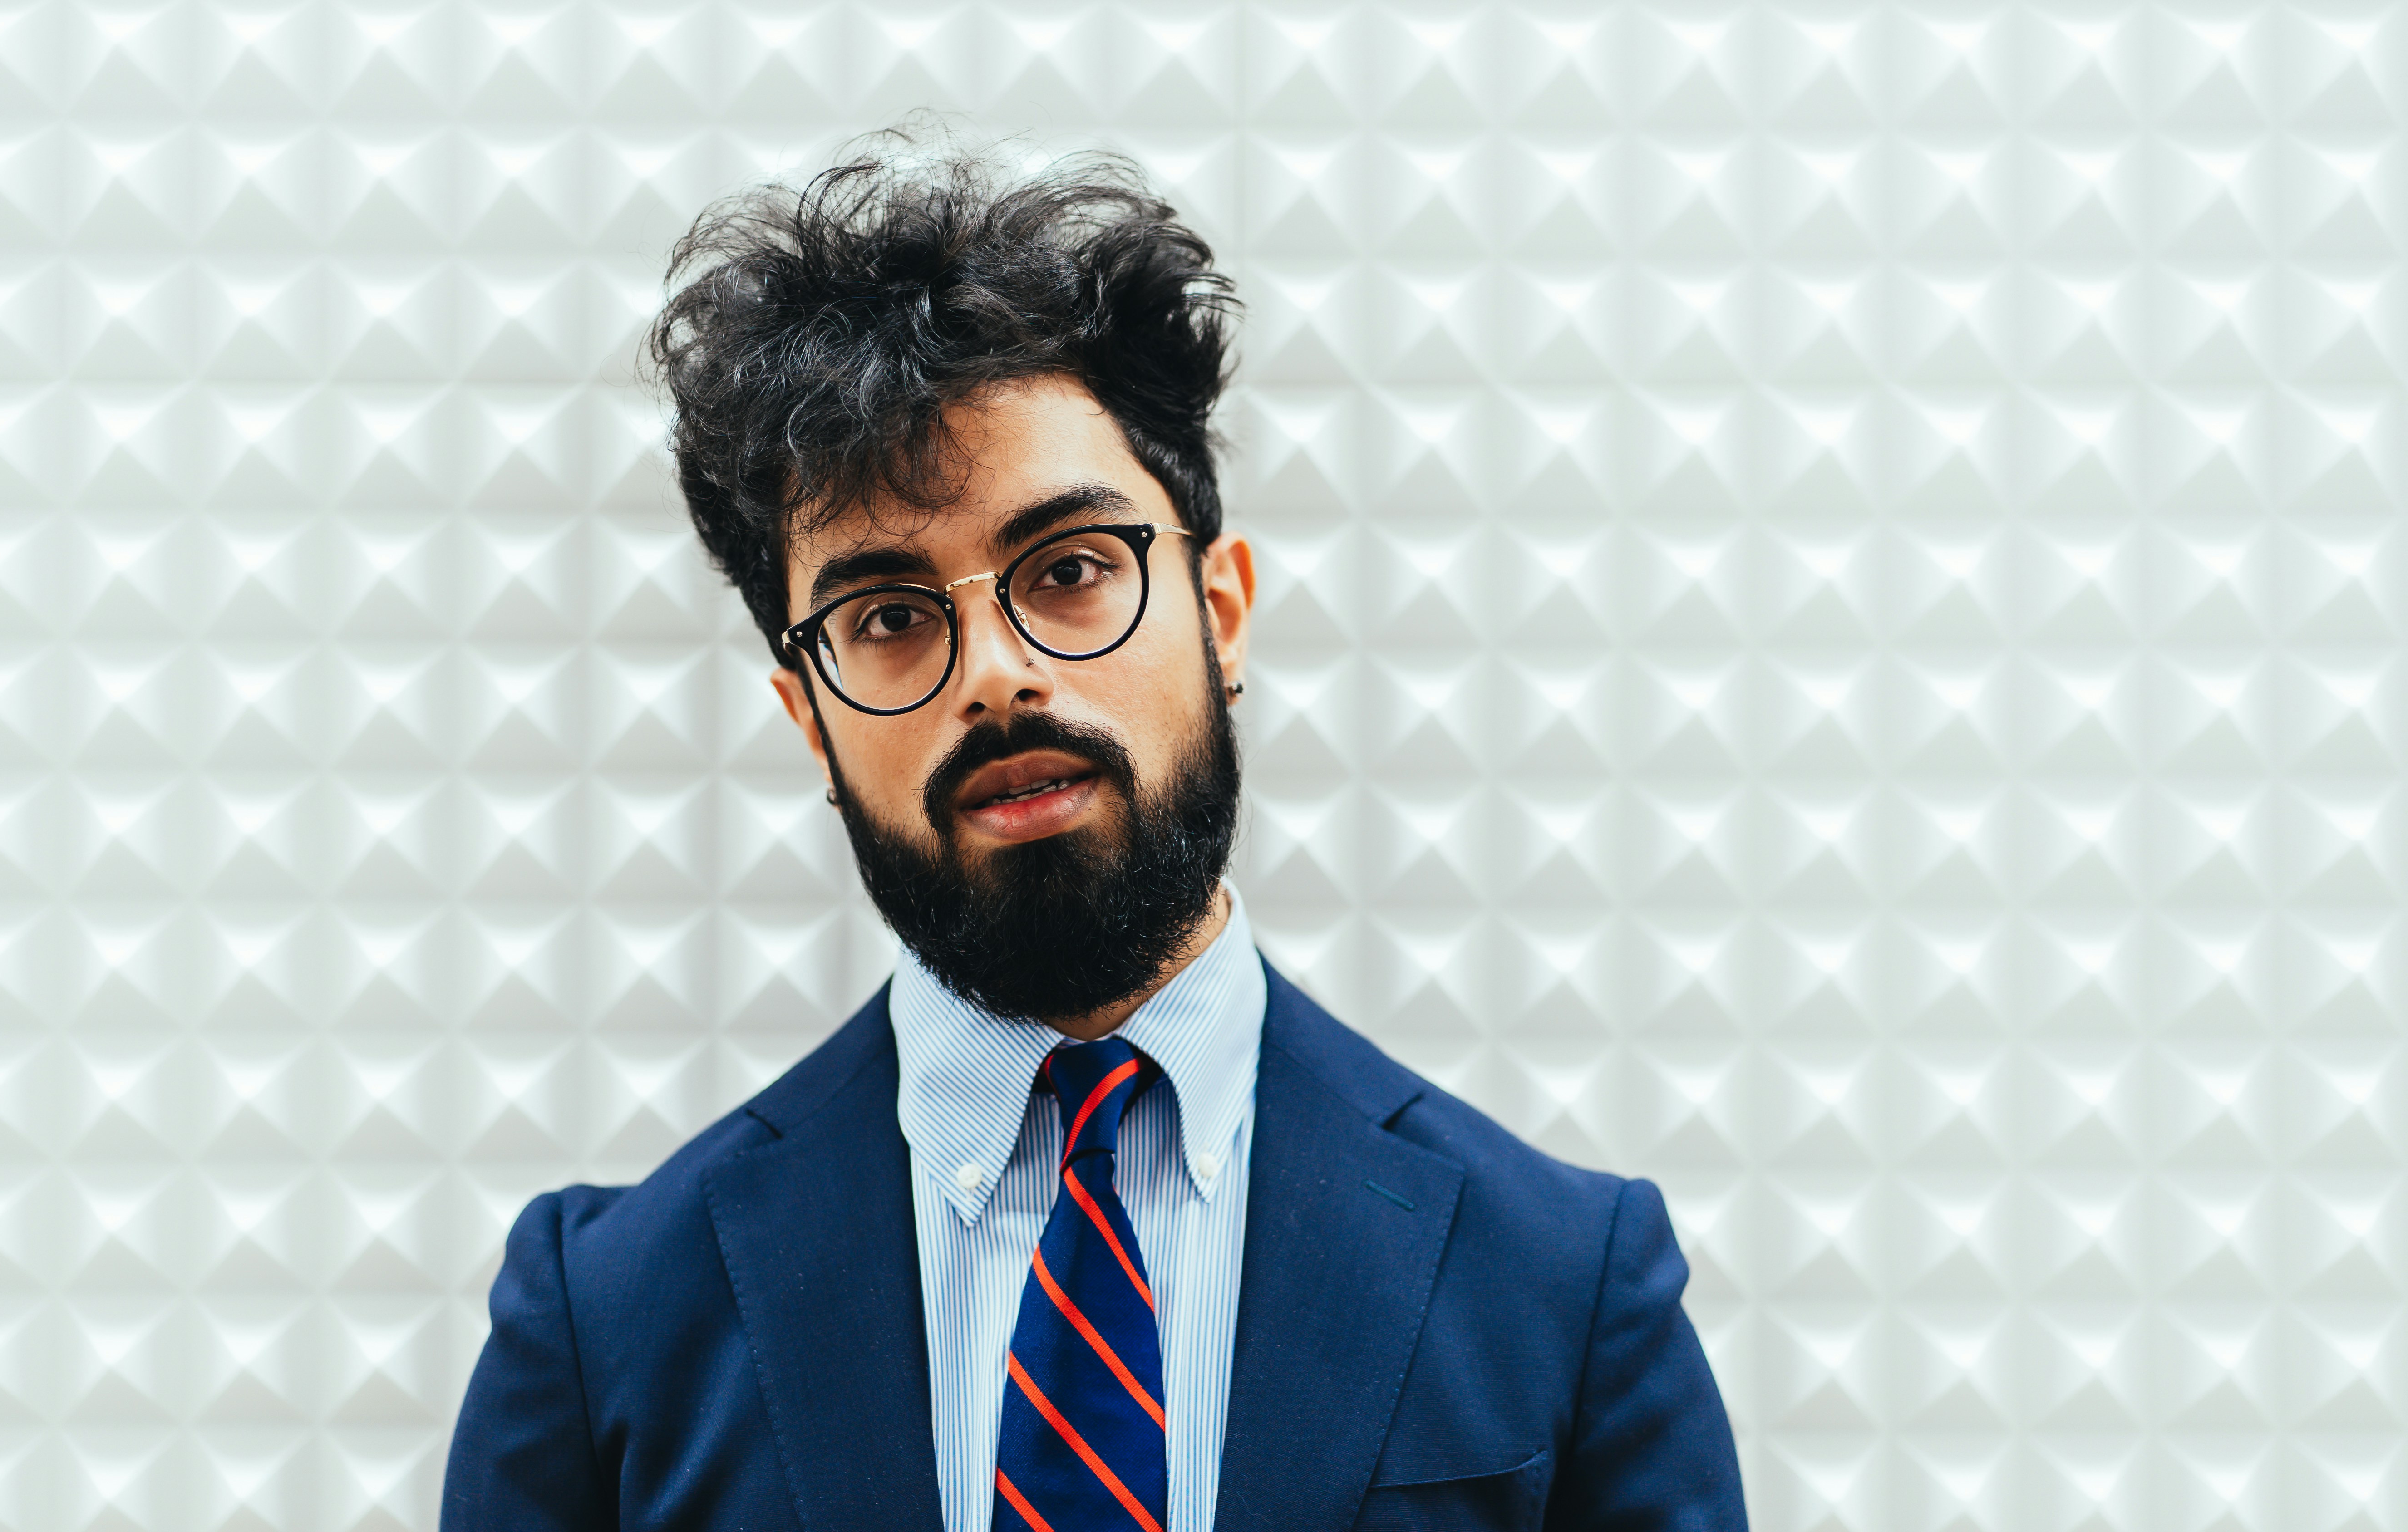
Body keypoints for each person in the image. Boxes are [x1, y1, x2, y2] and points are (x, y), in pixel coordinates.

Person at [441, 126, 1746, 1532]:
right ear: (811, 719)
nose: (999, 672)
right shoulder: (603, 1320)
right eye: (887, 616)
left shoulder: (1567, 1286)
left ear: (1221, 610)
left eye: (1070, 570)